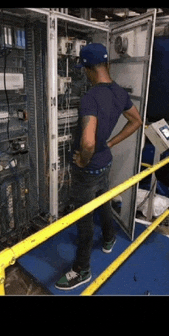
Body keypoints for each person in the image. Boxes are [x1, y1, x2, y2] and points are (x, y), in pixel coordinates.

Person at [55, 43, 142, 290]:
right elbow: (136, 121)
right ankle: (109, 236)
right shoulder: (119, 92)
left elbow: (89, 142)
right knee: (103, 199)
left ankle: (82, 269)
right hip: (105, 163)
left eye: (84, 70)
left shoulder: (90, 98)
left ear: (88, 70)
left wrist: (83, 159)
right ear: (107, 65)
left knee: (84, 217)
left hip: (87, 169)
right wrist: (111, 142)